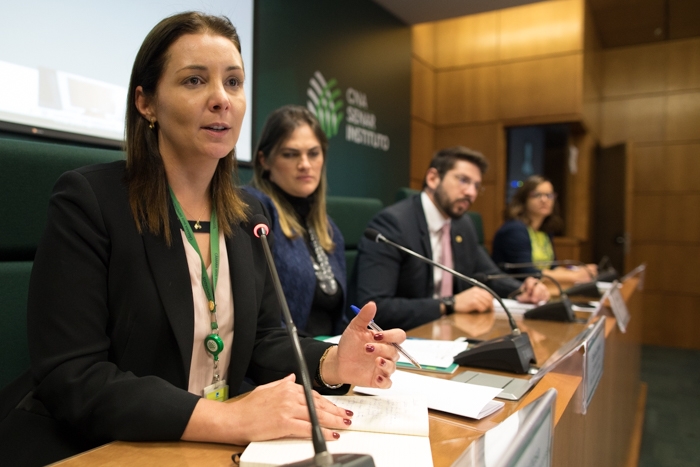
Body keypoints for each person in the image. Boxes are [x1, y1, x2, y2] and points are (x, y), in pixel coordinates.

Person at [0, 12, 403, 466]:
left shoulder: (247, 214)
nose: (221, 99)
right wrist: (228, 419)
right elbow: (74, 376)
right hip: (104, 448)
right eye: (194, 80)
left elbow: (264, 339)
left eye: (233, 82)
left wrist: (333, 363)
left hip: (206, 449)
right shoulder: (90, 201)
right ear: (146, 103)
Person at [350, 146, 550, 331]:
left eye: (476, 186)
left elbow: (488, 275)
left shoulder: (462, 225)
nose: (471, 193)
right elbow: (374, 307)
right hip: (403, 336)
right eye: (463, 180)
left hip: (450, 331)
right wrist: (449, 304)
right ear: (433, 178)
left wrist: (522, 290)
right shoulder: (393, 224)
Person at [244, 106, 346, 336]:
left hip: (332, 352)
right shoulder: (256, 211)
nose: (305, 164)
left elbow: (338, 318)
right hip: (288, 355)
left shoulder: (329, 228)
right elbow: (262, 322)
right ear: (264, 160)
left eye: (314, 153)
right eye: (290, 154)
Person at [491, 175, 596, 285]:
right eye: (537, 195)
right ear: (524, 199)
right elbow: (528, 273)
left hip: (540, 288)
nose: (544, 200)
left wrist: (579, 272)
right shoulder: (514, 230)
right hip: (514, 290)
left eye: (549, 195)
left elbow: (553, 268)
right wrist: (573, 276)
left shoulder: (544, 231)